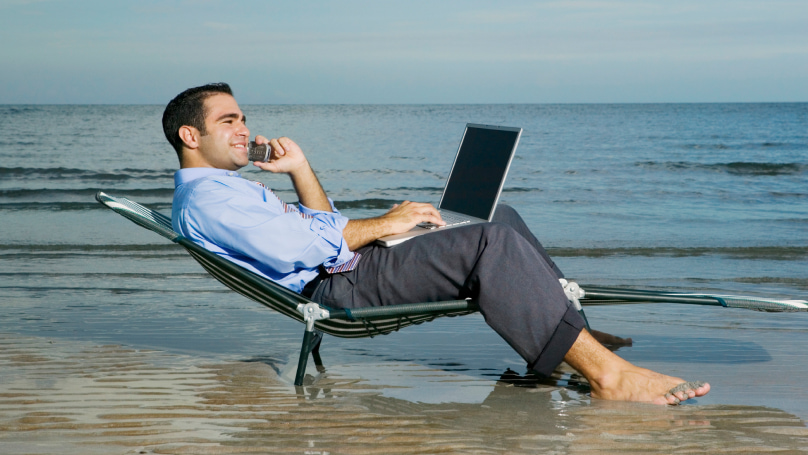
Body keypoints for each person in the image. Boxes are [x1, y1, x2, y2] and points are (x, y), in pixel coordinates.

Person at [164, 83, 710, 405]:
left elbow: (319, 227)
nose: (244, 129)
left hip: (347, 267)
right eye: (229, 120)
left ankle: (570, 335)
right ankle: (607, 375)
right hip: (339, 287)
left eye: (243, 118)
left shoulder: (224, 189)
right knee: (489, 242)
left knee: (498, 214)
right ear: (191, 135)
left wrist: (300, 168)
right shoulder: (211, 200)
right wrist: (384, 223)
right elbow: (301, 252)